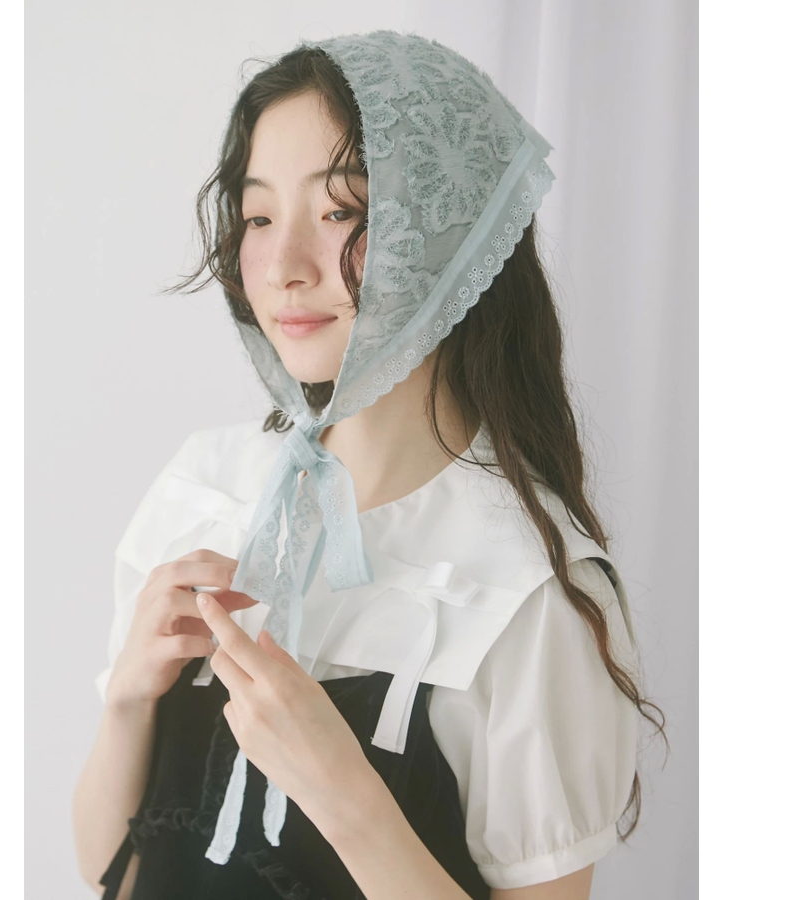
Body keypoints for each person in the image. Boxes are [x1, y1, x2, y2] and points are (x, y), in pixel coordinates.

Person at [72, 30, 666, 900]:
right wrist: (129, 698)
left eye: (342, 211)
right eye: (259, 217)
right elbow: (109, 872)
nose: (284, 268)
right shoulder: (205, 486)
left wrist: (344, 796)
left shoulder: (526, 590)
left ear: (452, 231)